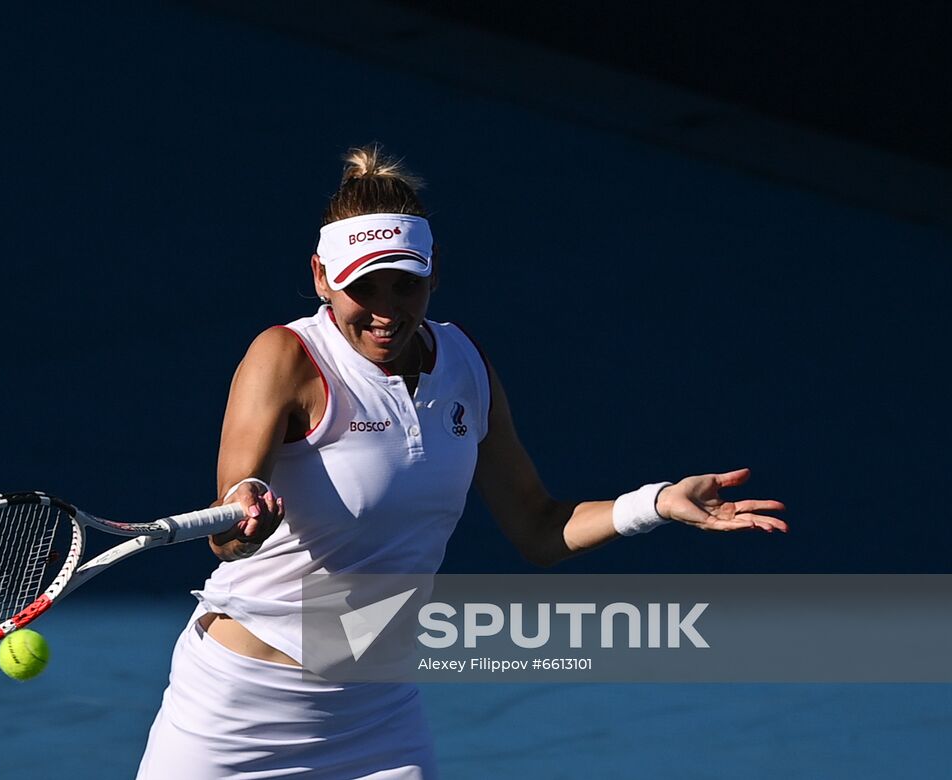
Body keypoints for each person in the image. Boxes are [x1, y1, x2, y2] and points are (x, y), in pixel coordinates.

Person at [136, 145, 787, 779]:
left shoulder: (465, 367)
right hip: (238, 708)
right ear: (321, 278)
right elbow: (229, 519)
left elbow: (537, 527)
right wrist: (243, 516)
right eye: (366, 287)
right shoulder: (285, 358)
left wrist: (656, 503)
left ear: (435, 269)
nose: (388, 310)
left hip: (376, 714)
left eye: (406, 283)